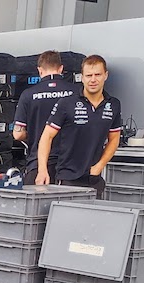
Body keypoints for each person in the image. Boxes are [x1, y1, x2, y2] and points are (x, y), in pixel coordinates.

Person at [36, 54, 122, 199]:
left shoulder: (113, 104)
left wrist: (99, 166)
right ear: (82, 77)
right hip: (68, 177)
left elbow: (114, 139)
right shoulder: (66, 103)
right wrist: (42, 169)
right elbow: (47, 136)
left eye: (97, 75)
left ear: (105, 75)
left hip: (94, 177)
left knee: (93, 221)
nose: (93, 79)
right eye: (88, 75)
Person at [12, 51, 79, 186]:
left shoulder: (28, 94)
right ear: (61, 69)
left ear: (40, 70)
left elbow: (18, 134)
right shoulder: (77, 92)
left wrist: (32, 135)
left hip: (38, 165)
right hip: (71, 166)